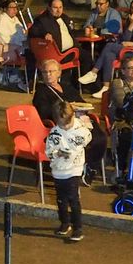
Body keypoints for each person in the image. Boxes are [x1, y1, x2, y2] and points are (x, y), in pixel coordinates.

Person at [44, 102, 92, 243]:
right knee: (61, 199)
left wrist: (72, 150)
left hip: (74, 169)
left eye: (67, 123)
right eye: (61, 124)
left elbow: (86, 139)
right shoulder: (54, 133)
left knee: (73, 198)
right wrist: (56, 153)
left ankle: (78, 227)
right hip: (58, 170)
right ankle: (65, 222)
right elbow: (49, 150)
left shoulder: (80, 129)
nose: (65, 127)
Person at [89, 0, 133, 97]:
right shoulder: (130, 20)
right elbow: (125, 38)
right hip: (128, 50)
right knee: (109, 55)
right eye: (132, 8)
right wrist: (132, 24)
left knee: (109, 46)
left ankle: (94, 72)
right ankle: (106, 87)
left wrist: (131, 44)